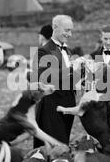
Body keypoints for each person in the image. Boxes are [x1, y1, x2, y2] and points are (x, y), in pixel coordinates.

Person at [33, 15, 83, 147]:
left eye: (71, 30)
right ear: (55, 27)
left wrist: (84, 71)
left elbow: (72, 78)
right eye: (66, 30)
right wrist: (72, 68)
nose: (70, 34)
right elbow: (47, 77)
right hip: (51, 106)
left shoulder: (68, 50)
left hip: (68, 103)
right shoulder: (43, 51)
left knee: (64, 142)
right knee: (54, 147)